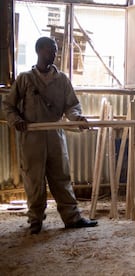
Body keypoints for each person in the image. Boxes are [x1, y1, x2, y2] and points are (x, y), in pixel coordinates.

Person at [2, 37, 97, 234]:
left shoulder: (61, 79)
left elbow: (72, 105)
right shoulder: (25, 79)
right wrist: (16, 120)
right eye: (49, 50)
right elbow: (9, 105)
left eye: (55, 50)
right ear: (38, 51)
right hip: (32, 138)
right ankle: (35, 220)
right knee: (34, 179)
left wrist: (77, 118)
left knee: (61, 177)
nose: (53, 54)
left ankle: (72, 217)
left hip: (55, 135)